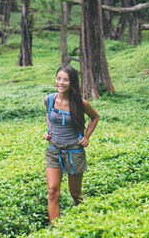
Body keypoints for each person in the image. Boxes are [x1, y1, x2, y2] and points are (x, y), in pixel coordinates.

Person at [42, 64, 99, 224]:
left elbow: (95, 118)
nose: (61, 82)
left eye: (65, 80)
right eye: (58, 78)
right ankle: (56, 231)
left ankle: (82, 222)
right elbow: (49, 114)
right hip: (53, 150)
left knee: (75, 194)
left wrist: (86, 137)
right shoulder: (49, 99)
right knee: (53, 191)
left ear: (72, 82)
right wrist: (48, 130)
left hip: (74, 151)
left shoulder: (81, 103)